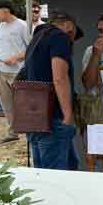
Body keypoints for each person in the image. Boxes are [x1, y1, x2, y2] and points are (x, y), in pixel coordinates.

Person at [24, 11, 82, 171]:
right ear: (69, 26)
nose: (71, 42)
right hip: (54, 118)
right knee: (57, 176)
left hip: (34, 117)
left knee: (46, 173)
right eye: (72, 36)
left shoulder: (38, 37)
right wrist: (68, 115)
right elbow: (59, 77)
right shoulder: (60, 37)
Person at [0, 1, 30, 143]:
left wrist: (16, 58)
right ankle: (12, 132)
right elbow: (2, 46)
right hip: (0, 69)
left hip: (18, 71)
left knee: (23, 103)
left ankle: (29, 131)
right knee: (6, 103)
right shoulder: (1, 26)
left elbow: (31, 48)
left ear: (5, 10)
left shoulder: (22, 25)